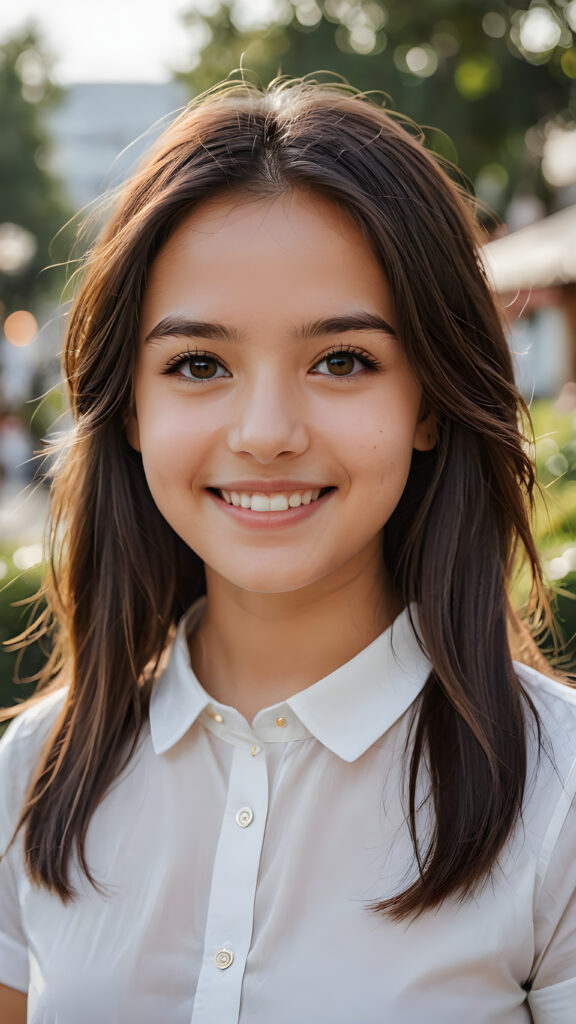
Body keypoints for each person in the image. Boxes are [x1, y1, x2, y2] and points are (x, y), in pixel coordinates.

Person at [0, 75, 575, 1024]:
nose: (266, 431)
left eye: (342, 360)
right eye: (199, 365)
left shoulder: (553, 791)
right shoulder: (37, 774)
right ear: (131, 410)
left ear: (428, 401)